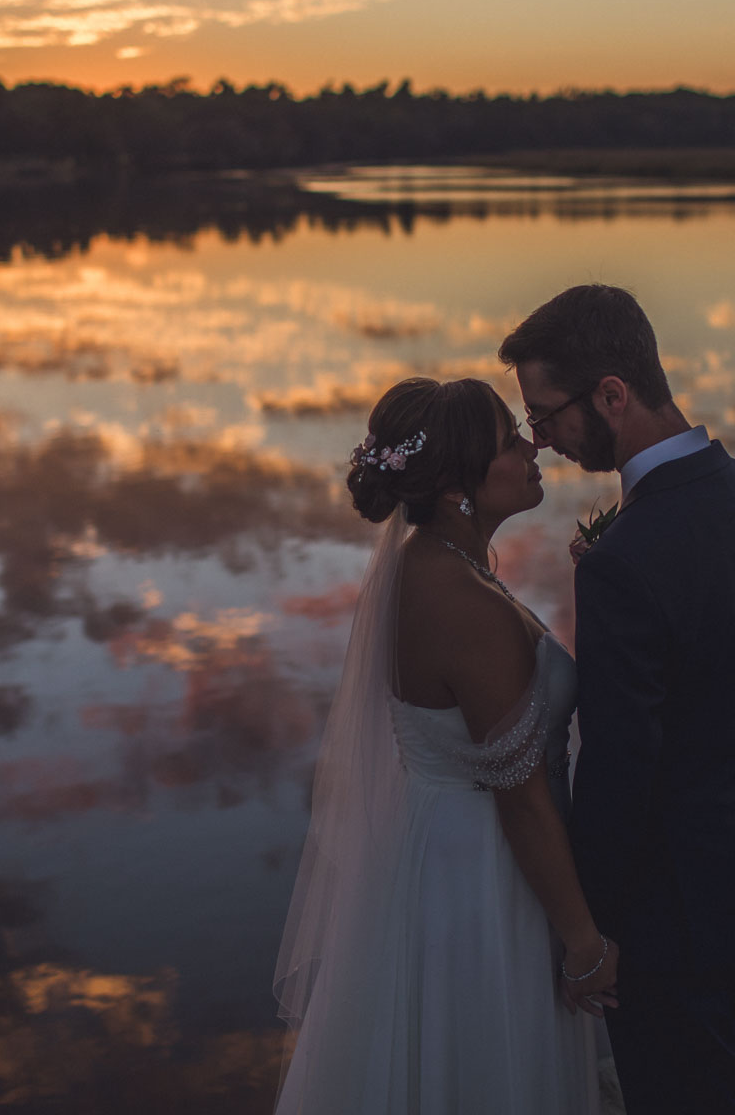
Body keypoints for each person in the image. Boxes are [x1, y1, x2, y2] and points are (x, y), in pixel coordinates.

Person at [500, 285, 735, 1115]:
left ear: (611, 394)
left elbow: (619, 767)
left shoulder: (621, 562)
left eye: (547, 414)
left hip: (673, 914)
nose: (543, 438)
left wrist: (588, 930)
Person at [272, 377, 611, 1114]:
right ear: (458, 482)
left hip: (433, 855)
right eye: (508, 441)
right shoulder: (462, 602)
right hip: (484, 876)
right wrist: (585, 946)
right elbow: (519, 799)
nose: (532, 445)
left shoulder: (428, 568)